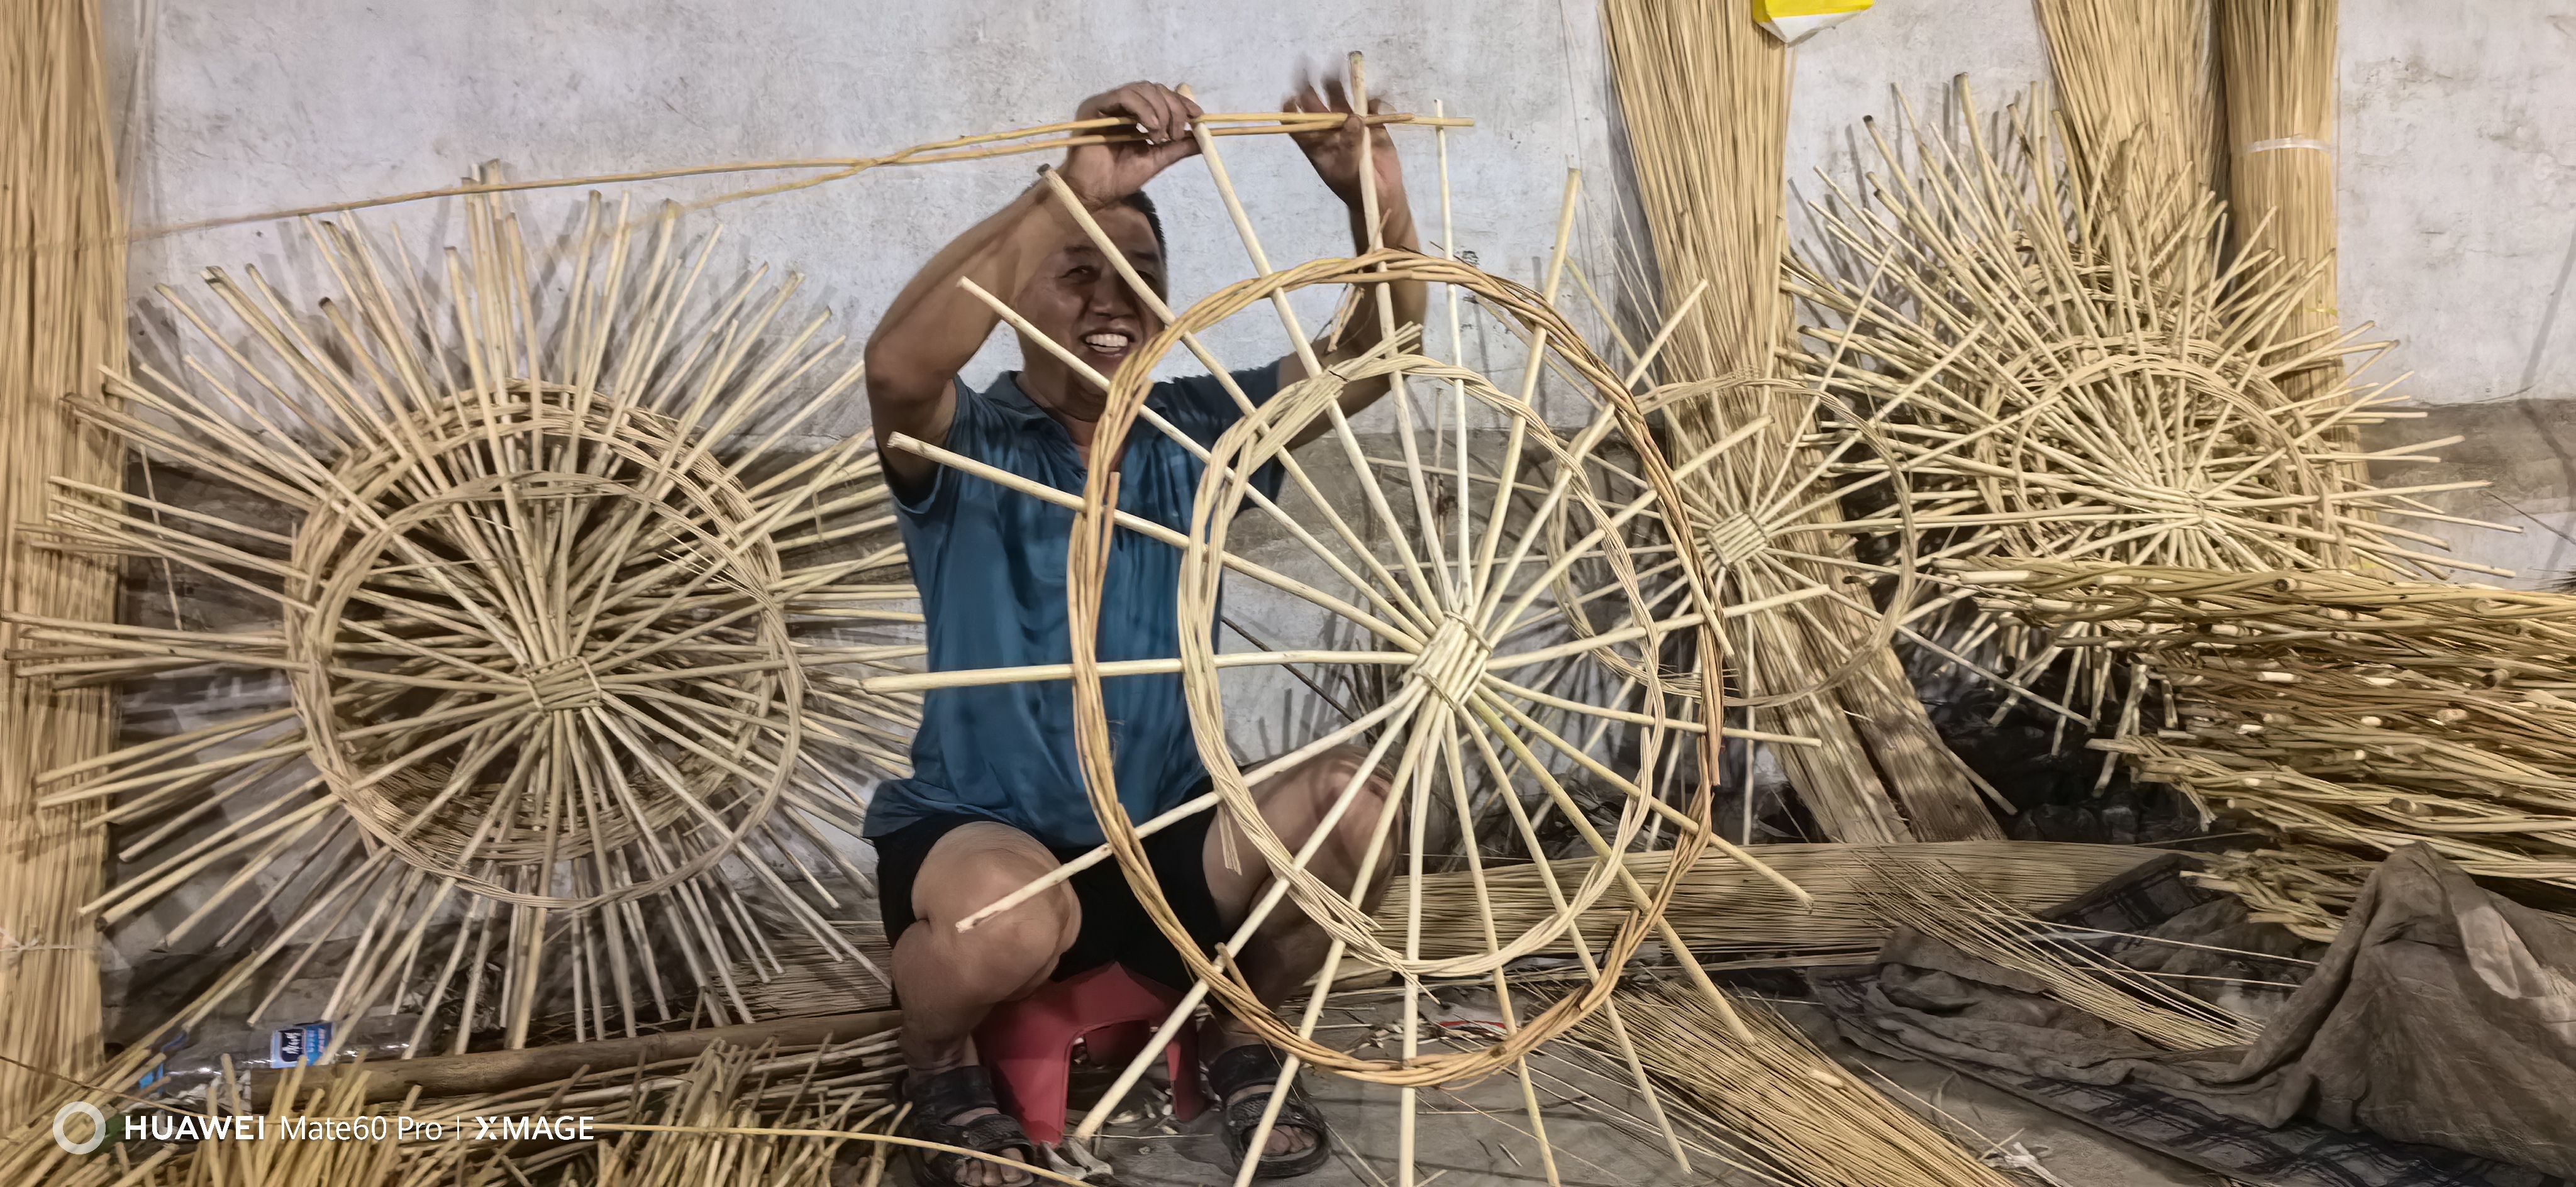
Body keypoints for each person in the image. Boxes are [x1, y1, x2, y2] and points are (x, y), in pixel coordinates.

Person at [860, 68, 1426, 1186]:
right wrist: (1065, 192)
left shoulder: (1200, 429)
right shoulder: (964, 438)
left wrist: (1377, 204)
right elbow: (896, 364)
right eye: (1078, 271)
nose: (1114, 296)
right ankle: (935, 1062)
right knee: (1006, 925)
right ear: (1018, 296)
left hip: (1168, 831)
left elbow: (1382, 349)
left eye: (1140, 273)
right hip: (987, 833)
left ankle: (1243, 1028)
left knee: (1357, 812)